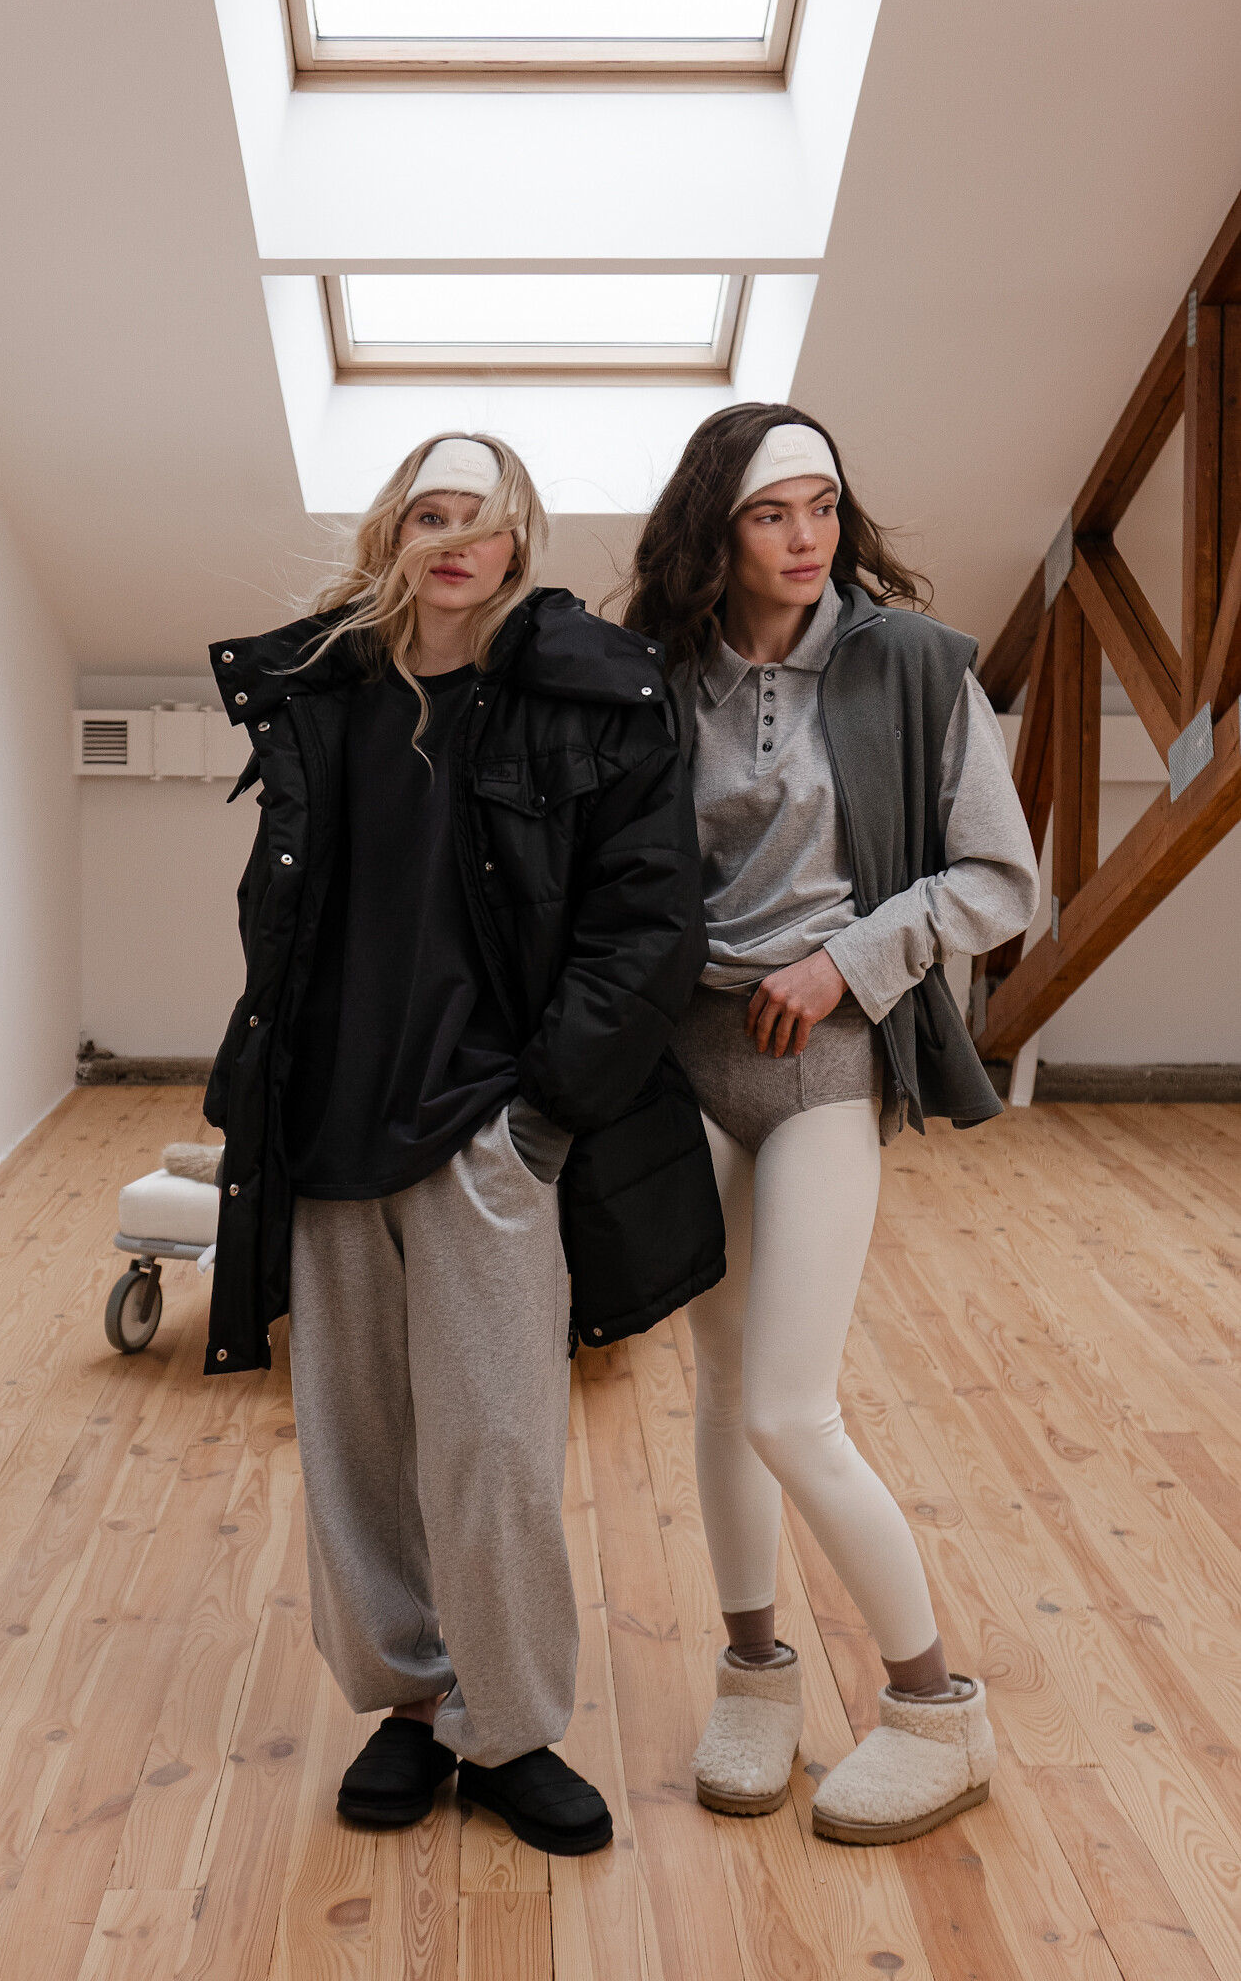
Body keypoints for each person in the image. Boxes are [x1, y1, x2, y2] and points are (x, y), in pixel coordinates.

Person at [202, 433, 722, 1857]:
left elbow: (648, 924)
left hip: (487, 1132)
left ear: (518, 541)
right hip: (327, 1127)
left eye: (480, 519)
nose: (453, 541)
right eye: (428, 513)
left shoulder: (595, 694)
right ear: (394, 530)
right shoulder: (320, 689)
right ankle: (414, 1704)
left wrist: (536, 1117)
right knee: (358, 1452)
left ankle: (511, 1731)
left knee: (493, 1445)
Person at [623, 403, 1039, 1844]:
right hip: (686, 1057)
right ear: (715, 529)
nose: (805, 538)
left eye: (822, 507)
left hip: (823, 1052)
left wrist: (847, 962)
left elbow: (1000, 880)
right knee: (719, 1382)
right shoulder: (657, 676)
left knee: (789, 1408)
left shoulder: (916, 665)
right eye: (770, 513)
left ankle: (936, 1710)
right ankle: (756, 1679)